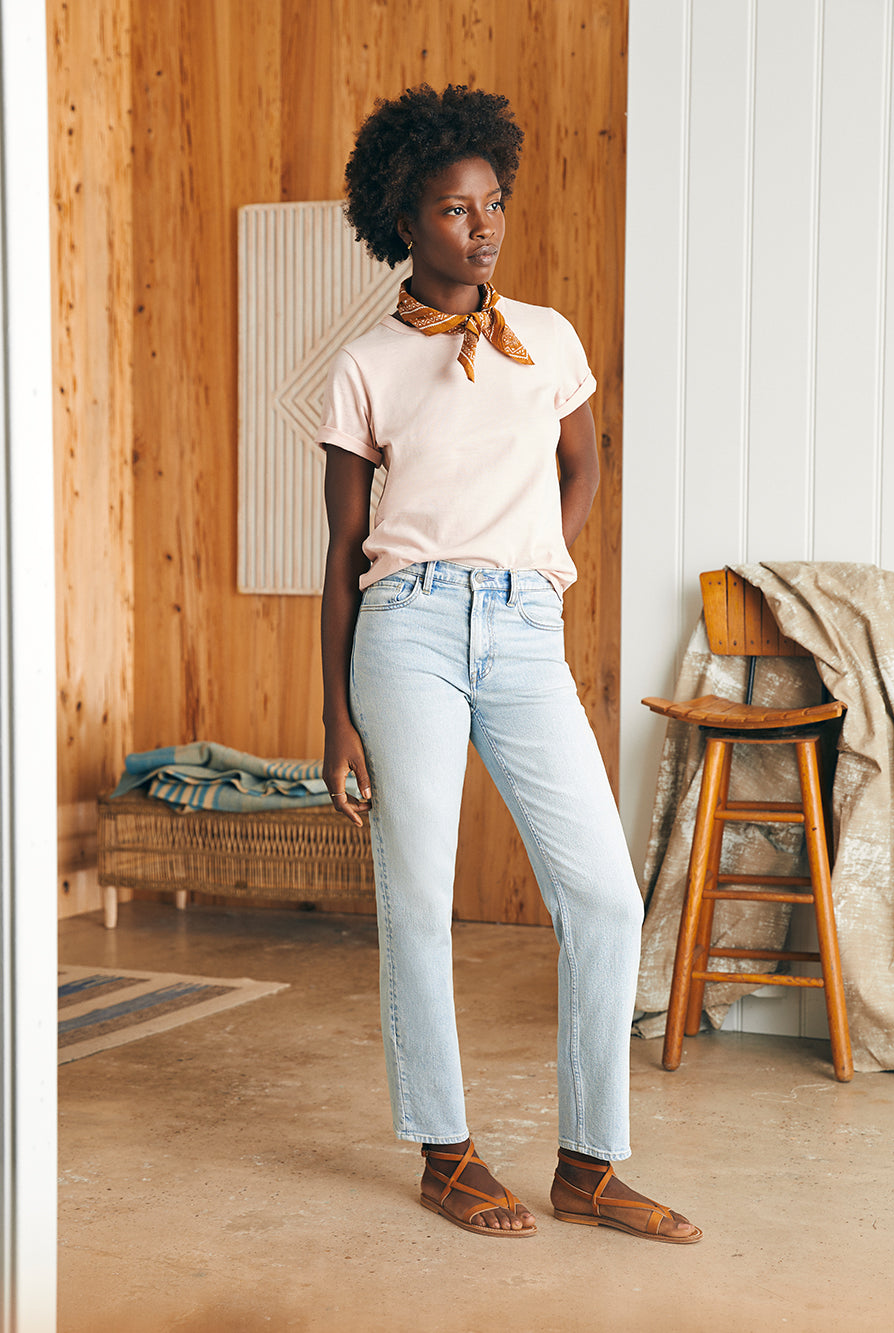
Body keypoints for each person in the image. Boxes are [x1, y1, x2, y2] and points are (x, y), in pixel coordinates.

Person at [318, 83, 701, 1243]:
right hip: (409, 633)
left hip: (523, 630)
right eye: (452, 209)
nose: (481, 228)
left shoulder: (552, 341)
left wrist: (531, 564)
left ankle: (589, 1164)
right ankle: (445, 1152)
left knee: (601, 890)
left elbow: (580, 468)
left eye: (491, 204)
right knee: (419, 895)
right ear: (405, 219)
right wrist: (333, 720)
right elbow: (341, 552)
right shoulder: (367, 364)